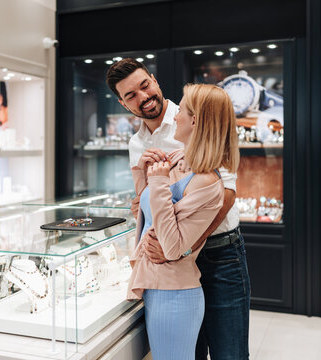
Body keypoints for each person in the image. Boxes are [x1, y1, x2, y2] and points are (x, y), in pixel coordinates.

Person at [106, 58, 250, 360]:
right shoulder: (136, 143)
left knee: (230, 352)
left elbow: (226, 194)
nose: (143, 97)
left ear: (155, 80)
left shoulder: (195, 114)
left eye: (145, 86)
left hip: (218, 253)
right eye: (131, 95)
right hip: (172, 268)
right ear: (123, 103)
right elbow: (148, 200)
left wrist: (186, 248)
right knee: (188, 352)